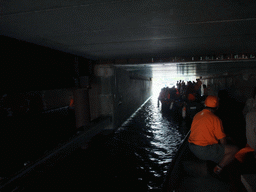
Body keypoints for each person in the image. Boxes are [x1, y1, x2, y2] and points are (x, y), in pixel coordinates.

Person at [188, 95, 239, 177]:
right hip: (202, 150)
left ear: (205, 104)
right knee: (234, 150)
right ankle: (217, 169)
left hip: (191, 146)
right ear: (217, 107)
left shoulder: (197, 115)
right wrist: (224, 152)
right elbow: (223, 142)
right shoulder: (216, 119)